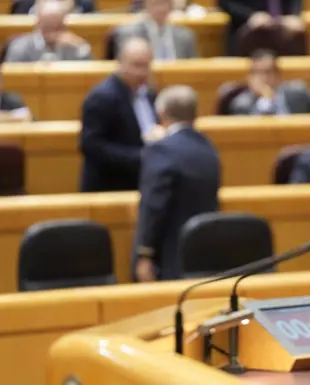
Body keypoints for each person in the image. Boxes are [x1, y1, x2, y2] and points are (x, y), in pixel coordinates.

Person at [132, 85, 220, 282]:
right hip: (203, 254)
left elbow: (153, 206)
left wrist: (144, 254)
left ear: (161, 113)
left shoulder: (161, 150)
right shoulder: (208, 148)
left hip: (169, 256)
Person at [79, 37, 157, 192]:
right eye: (136, 65)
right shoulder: (101, 97)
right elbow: (91, 146)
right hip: (109, 186)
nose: (142, 72)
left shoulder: (149, 94)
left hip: (140, 182)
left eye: (146, 66)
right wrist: (140, 157)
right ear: (120, 63)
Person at [228, 49, 310, 116]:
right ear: (249, 78)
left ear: (278, 76)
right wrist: (266, 99)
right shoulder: (241, 105)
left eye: (267, 72)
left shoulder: (298, 93)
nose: (263, 78)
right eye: (257, 73)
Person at [4, 0, 92, 62]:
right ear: (38, 25)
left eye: (57, 28)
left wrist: (80, 46)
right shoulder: (20, 47)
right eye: (47, 28)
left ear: (64, 26)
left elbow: (87, 74)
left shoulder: (74, 46)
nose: (52, 34)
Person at [114, 0, 199, 61]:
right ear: (146, 4)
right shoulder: (128, 34)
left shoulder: (185, 36)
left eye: (165, 3)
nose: (161, 8)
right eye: (156, 3)